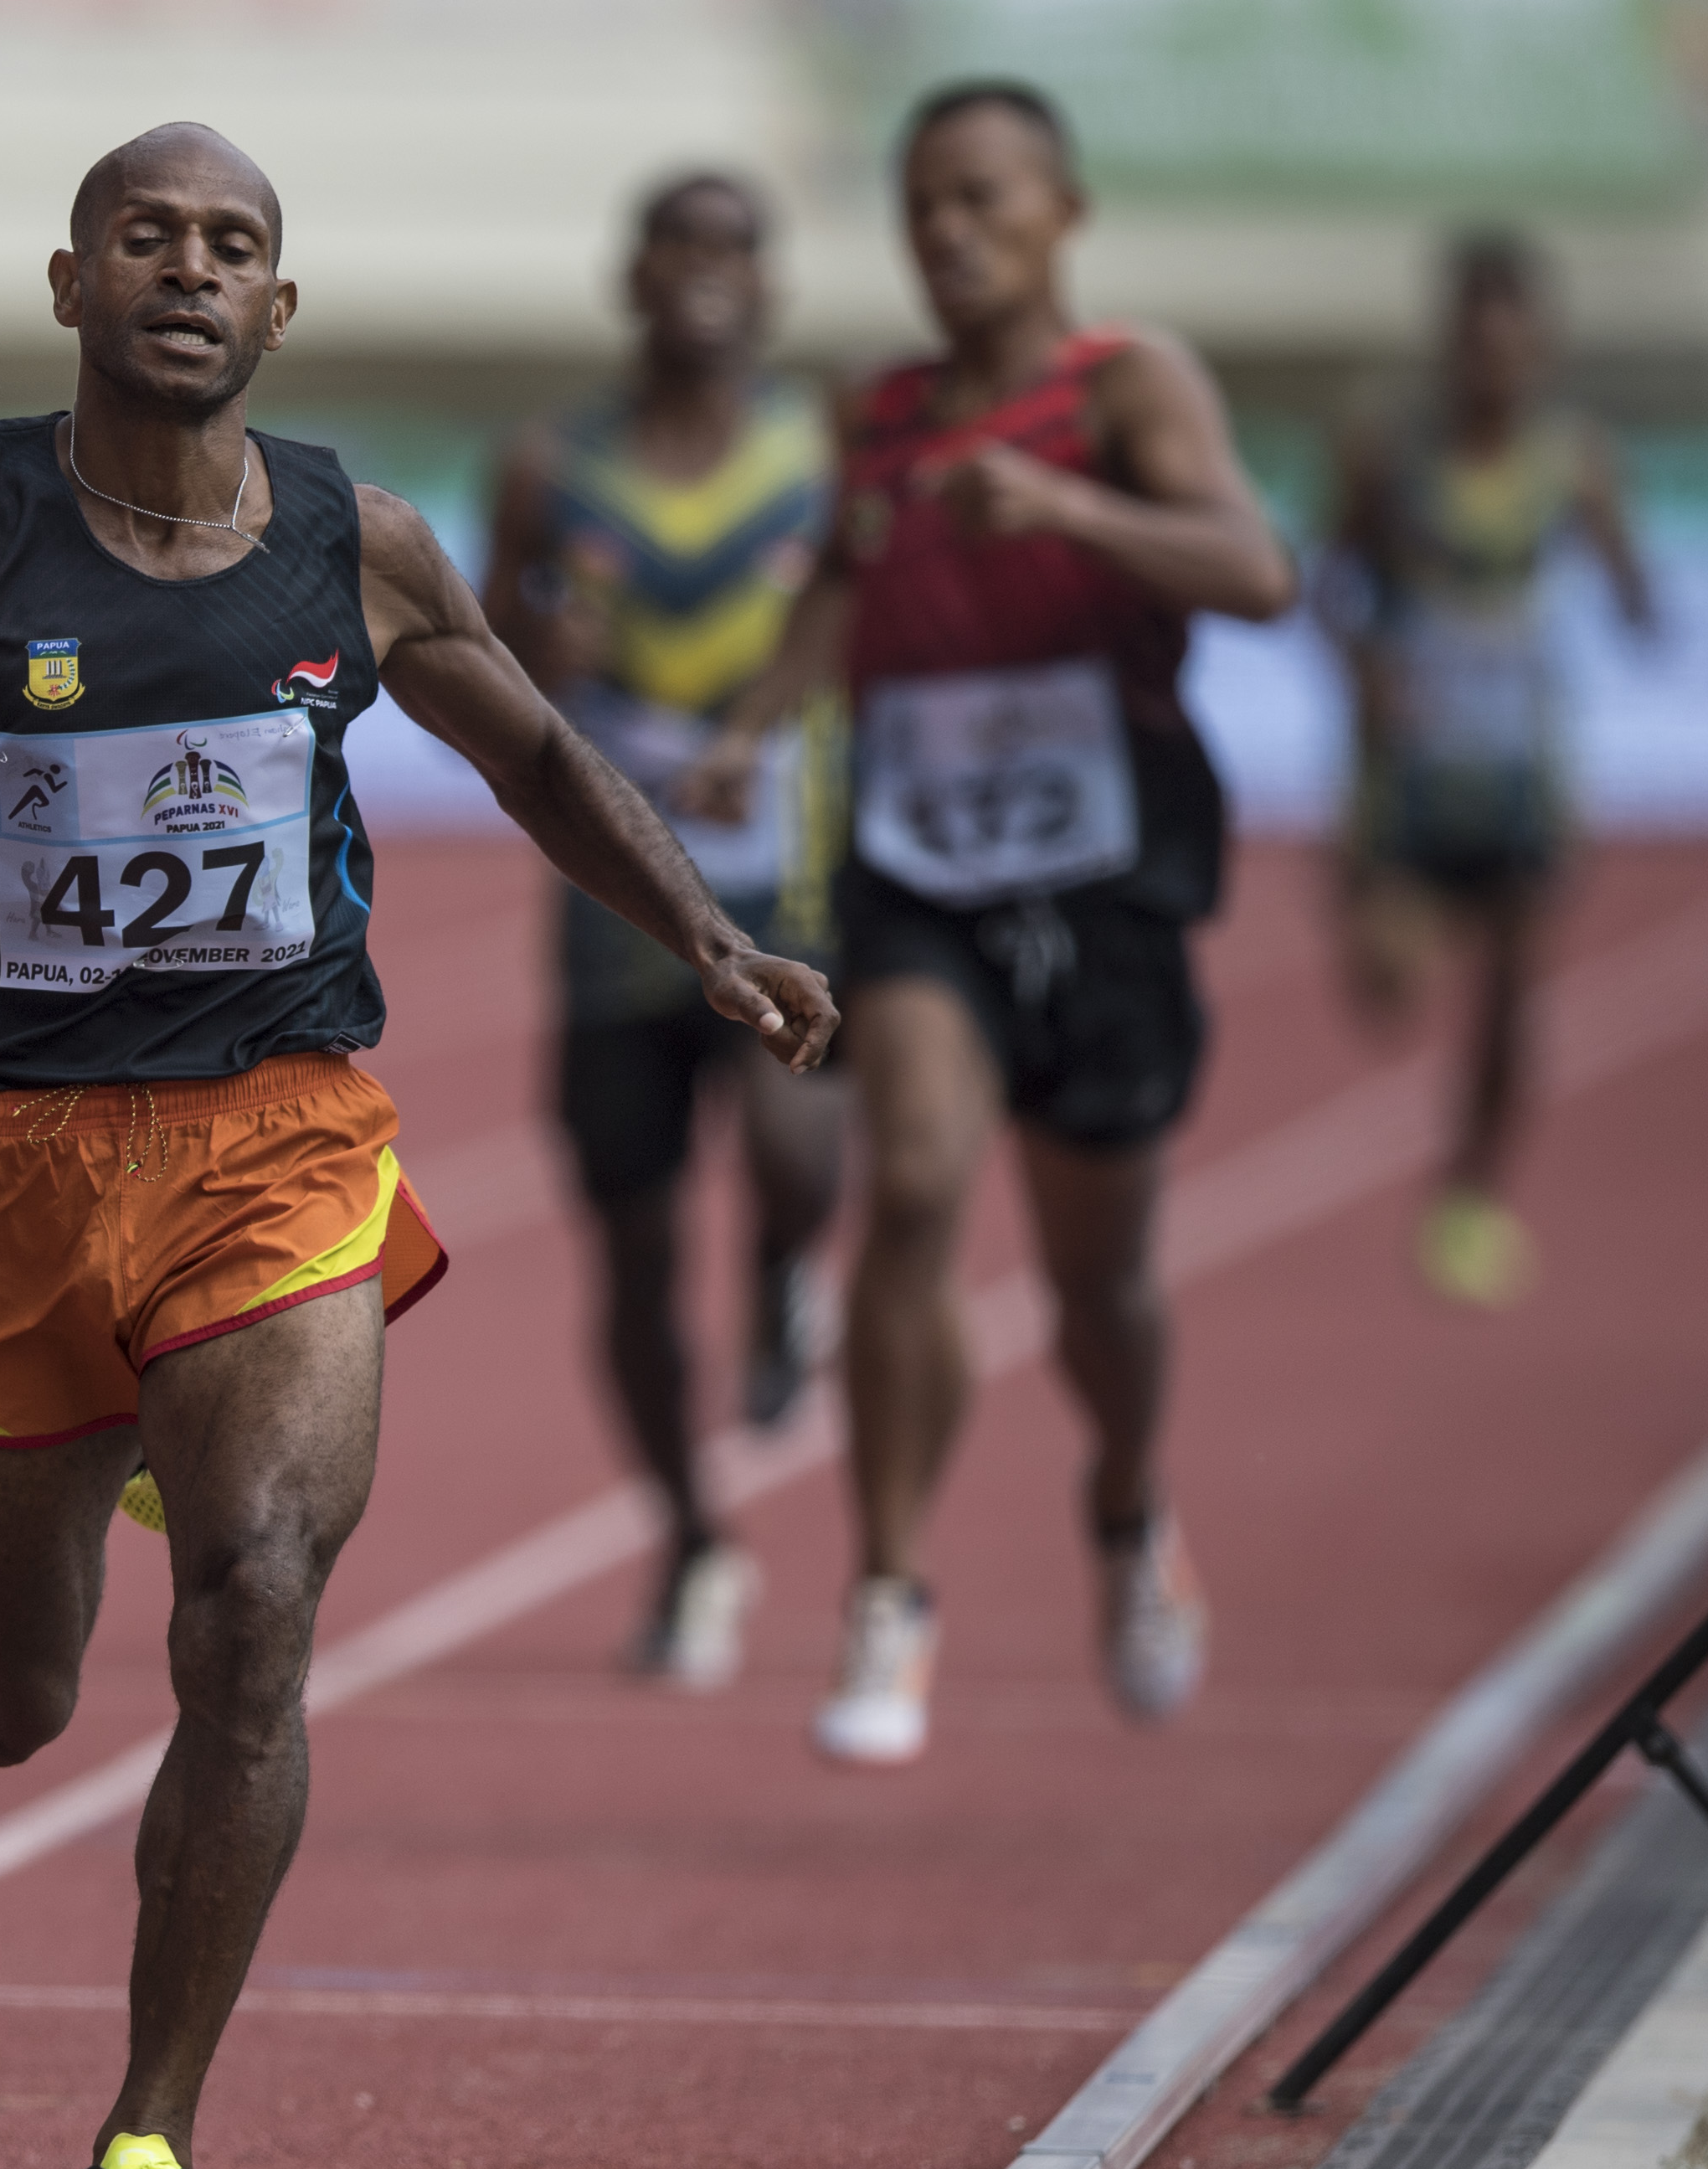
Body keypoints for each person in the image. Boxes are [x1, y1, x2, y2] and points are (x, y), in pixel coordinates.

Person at [0, 123, 838, 2169]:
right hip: (8, 1168)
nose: (191, 272)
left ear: (281, 309)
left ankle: (150, 2135)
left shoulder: (357, 539)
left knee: (251, 1603)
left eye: (234, 245)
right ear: (69, 284)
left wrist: (704, 933)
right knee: (8, 1708)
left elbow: (526, 750)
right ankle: (115, 1426)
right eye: (149, 237)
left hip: (276, 1141)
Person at [683, 80, 1297, 1767]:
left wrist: (1068, 512)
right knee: (920, 1180)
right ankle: (885, 1591)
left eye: (980, 199)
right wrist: (754, 720)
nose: (946, 232)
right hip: (915, 870)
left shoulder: (1124, 385)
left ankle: (1121, 1503)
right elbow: (835, 581)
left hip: (1104, 878)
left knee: (1097, 1281)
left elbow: (1256, 570)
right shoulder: (875, 413)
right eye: (919, 204)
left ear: (1059, 213)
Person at [480, 169, 851, 1689]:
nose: (703, 273)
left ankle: (782, 1271)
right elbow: (479, 640)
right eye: (676, 247)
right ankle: (694, 1538)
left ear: (767, 284)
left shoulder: (821, 450)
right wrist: (536, 647)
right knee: (629, 1257)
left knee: (788, 1141)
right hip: (613, 899)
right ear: (631, 277)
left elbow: (857, 615)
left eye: (732, 248)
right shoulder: (547, 460)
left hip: (781, 873)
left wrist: (762, 722)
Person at [1323, 229, 1654, 1307]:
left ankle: (1468, 1196)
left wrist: (1630, 599)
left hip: (1519, 767)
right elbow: (1322, 582)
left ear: (1541, 349)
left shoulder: (1574, 460)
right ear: (1450, 344)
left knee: (1513, 998)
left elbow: (1631, 592)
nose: (1493, 365)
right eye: (1475, 344)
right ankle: (1371, 912)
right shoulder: (1386, 452)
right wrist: (1364, 660)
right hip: (1405, 773)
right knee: (1388, 986)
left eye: (1514, 346)